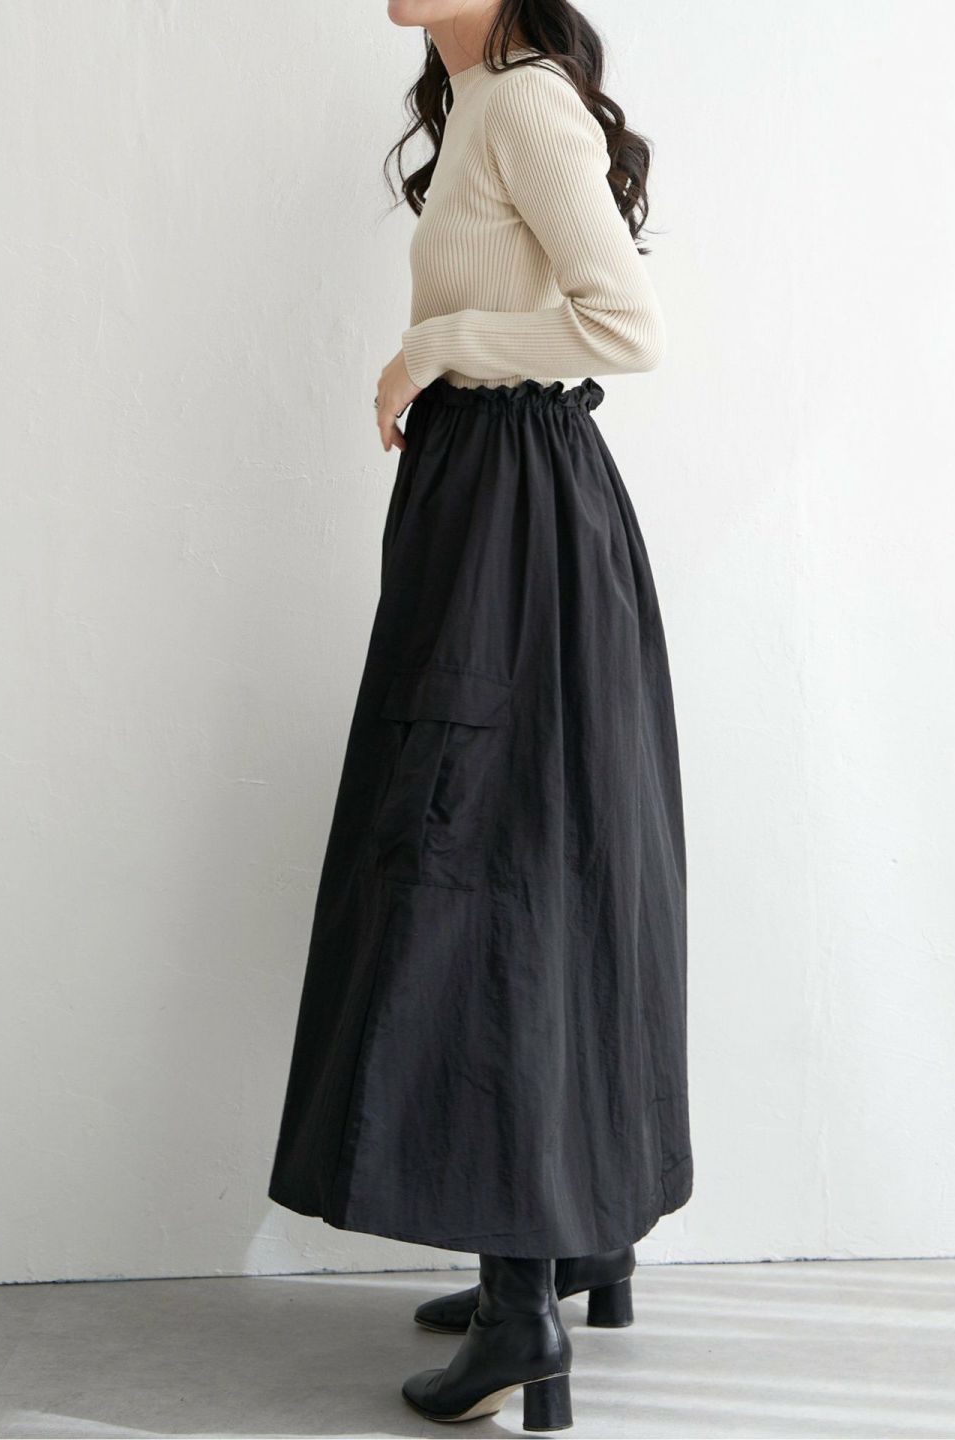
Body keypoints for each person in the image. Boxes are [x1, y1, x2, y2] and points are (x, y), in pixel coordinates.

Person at [267, 1, 692, 1428]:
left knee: (485, 862)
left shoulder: (523, 104)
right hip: (498, 499)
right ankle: (573, 1242)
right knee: (526, 847)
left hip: (513, 511)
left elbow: (625, 324)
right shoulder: (482, 106)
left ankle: (524, 1310)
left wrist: (432, 345)